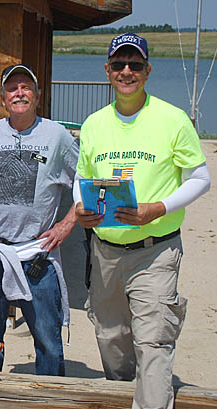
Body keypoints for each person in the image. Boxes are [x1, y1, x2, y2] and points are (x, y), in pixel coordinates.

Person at [73, 33, 211, 409]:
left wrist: (159, 208)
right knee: (111, 339)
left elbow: (201, 178)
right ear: (108, 71)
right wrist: (79, 208)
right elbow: (81, 179)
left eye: (135, 64)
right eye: (119, 65)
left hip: (155, 252)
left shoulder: (173, 119)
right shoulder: (94, 124)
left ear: (148, 70)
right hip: (104, 253)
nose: (127, 71)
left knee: (153, 342)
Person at [0, 64, 79, 376]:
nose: (19, 93)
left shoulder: (58, 137)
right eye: (12, 88)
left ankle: (51, 395)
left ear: (38, 96)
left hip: (37, 255)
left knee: (47, 338)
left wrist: (66, 224)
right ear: (3, 99)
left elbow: (86, 181)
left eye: (26, 87)